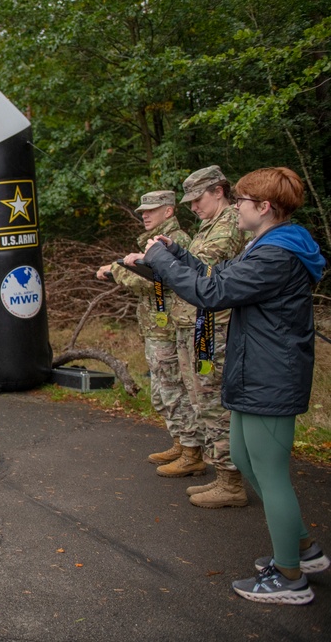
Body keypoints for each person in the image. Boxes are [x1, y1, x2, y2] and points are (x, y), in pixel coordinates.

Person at [130, 167, 328, 604]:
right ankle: (301, 550)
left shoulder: (277, 255)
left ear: (265, 208)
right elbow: (214, 278)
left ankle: (290, 577)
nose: (236, 206)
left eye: (242, 200)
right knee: (243, 456)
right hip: (252, 370)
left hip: (269, 376)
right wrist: (174, 253)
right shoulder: (265, 246)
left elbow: (211, 294)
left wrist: (160, 260)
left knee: (270, 475)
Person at [96, 191, 195, 472]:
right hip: (157, 326)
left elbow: (156, 280)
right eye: (142, 211)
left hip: (170, 328)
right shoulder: (154, 242)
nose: (145, 215)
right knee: (163, 391)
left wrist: (116, 271)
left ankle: (192, 453)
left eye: (152, 209)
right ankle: (181, 443)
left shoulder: (175, 242)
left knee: (173, 390)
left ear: (169, 211)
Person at [173, 166, 249, 507]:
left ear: (219, 190)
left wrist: (162, 261)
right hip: (203, 323)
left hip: (216, 326)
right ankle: (224, 474)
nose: (193, 207)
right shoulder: (210, 225)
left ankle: (232, 482)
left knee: (214, 403)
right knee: (202, 401)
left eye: (198, 199)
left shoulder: (230, 222)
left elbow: (203, 266)